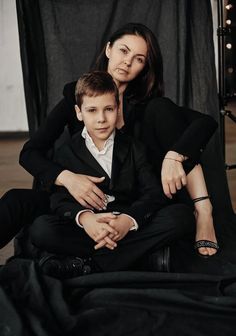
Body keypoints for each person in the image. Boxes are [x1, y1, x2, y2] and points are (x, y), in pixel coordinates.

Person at [0, 23, 218, 258]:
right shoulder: (79, 94)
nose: (127, 62)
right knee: (17, 202)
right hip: (78, 203)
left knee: (179, 218)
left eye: (139, 59)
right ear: (108, 50)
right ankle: (133, 257)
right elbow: (30, 153)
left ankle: (201, 209)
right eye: (123, 51)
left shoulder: (149, 107)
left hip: (132, 203)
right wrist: (69, 179)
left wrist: (174, 155)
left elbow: (205, 123)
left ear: (144, 67)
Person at [29, 71, 195, 278]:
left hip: (128, 225)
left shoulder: (135, 147)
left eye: (108, 109)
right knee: (41, 229)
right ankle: (138, 259)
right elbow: (58, 200)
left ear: (118, 109)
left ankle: (90, 265)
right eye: (92, 110)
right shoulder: (66, 151)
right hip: (89, 230)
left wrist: (128, 220)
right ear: (79, 112)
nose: (101, 119)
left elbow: (153, 193)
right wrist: (86, 219)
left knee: (182, 216)